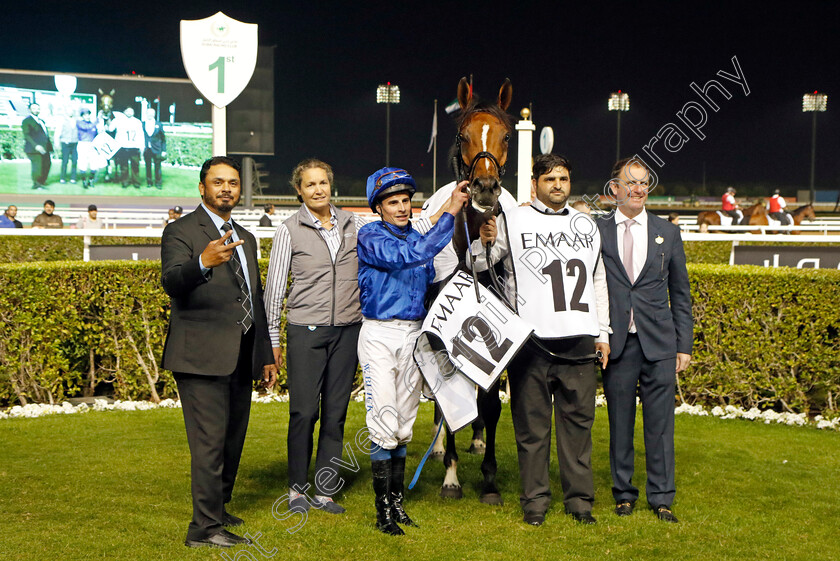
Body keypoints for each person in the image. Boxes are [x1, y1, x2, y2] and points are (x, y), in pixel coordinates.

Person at [475, 154, 611, 527]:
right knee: (532, 429)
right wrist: (484, 242)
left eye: (564, 179)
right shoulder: (513, 218)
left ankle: (580, 502)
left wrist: (603, 332)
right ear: (534, 183)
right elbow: (483, 264)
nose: (558, 185)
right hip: (530, 343)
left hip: (579, 340)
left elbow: (597, 280)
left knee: (578, 429)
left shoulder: (587, 223)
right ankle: (534, 501)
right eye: (550, 179)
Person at [161, 156, 277, 549]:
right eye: (217, 182)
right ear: (202, 187)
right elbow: (173, 282)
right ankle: (204, 529)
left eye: (232, 182)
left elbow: (253, 299)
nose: (226, 188)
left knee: (231, 440)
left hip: (241, 354)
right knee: (209, 442)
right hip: (199, 356)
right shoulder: (180, 230)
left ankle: (218, 508)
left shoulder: (246, 234)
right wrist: (202, 262)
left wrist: (265, 353)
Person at [357, 166, 468, 535]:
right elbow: (412, 252)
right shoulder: (370, 235)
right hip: (379, 335)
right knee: (384, 424)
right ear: (379, 207)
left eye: (406, 200)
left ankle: (397, 506)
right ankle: (381, 513)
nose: (402, 207)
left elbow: (424, 246)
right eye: (393, 202)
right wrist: (451, 210)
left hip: (413, 336)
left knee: (404, 427)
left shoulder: (416, 232)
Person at [596, 157, 693, 524]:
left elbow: (680, 294)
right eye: (631, 183)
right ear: (614, 189)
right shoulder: (597, 231)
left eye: (644, 183)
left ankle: (662, 497)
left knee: (660, 426)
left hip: (661, 345)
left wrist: (684, 345)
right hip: (618, 345)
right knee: (620, 424)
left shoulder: (667, 233)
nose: (638, 189)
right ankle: (623, 494)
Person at [22, 102, 52, 190]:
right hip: (33, 149)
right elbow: (27, 135)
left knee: (47, 164)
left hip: (45, 148)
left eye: (38, 108)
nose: (36, 110)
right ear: (30, 110)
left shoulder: (41, 121)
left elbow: (45, 135)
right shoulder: (27, 121)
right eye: (34, 108)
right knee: (37, 166)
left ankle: (42, 181)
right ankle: (36, 184)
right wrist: (36, 146)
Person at [115, 107, 144, 188]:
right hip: (123, 147)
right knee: (124, 166)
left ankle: (136, 182)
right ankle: (125, 181)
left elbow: (141, 135)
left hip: (134, 147)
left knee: (135, 166)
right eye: (127, 111)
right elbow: (114, 131)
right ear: (124, 112)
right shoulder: (119, 121)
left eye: (131, 111)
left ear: (133, 112)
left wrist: (141, 146)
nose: (129, 112)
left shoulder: (137, 122)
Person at [143, 108, 166, 189]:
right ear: (146, 113)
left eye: (152, 113)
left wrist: (164, 150)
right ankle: (149, 182)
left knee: (157, 167)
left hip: (157, 149)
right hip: (146, 149)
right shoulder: (142, 124)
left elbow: (163, 138)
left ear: (154, 114)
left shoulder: (159, 124)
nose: (150, 115)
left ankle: (158, 183)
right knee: (148, 166)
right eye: (149, 113)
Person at [55, 107, 79, 184]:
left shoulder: (76, 120)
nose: (70, 112)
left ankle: (73, 178)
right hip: (65, 143)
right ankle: (62, 178)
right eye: (69, 111)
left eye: (72, 111)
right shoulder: (62, 120)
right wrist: (57, 144)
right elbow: (57, 133)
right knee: (65, 162)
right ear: (66, 112)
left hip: (75, 143)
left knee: (74, 161)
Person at [76, 108, 99, 189]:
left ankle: (91, 180)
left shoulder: (93, 124)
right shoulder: (79, 123)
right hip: (83, 144)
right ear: (82, 116)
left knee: (94, 164)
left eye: (88, 114)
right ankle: (84, 181)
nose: (87, 116)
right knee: (83, 163)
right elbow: (86, 128)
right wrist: (97, 121)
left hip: (92, 144)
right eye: (85, 115)